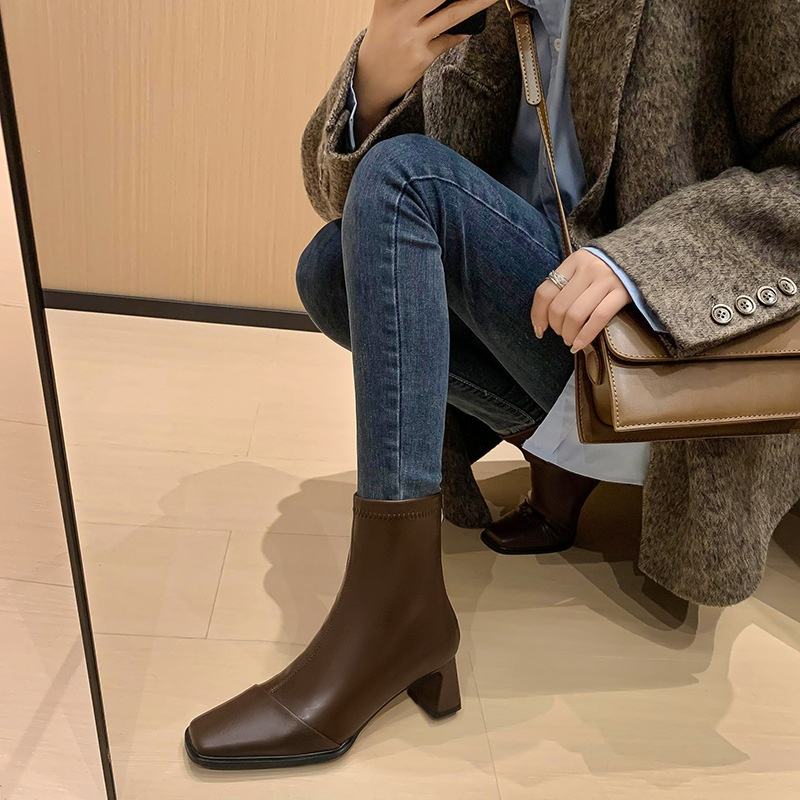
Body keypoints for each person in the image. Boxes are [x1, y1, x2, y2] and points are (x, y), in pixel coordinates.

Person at [184, 0, 800, 770]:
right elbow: (357, 208)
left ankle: (394, 617)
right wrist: (374, 85)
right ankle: (531, 481)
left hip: (673, 370)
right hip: (555, 336)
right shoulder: (485, 12)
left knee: (407, 180)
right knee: (330, 271)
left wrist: (646, 264)